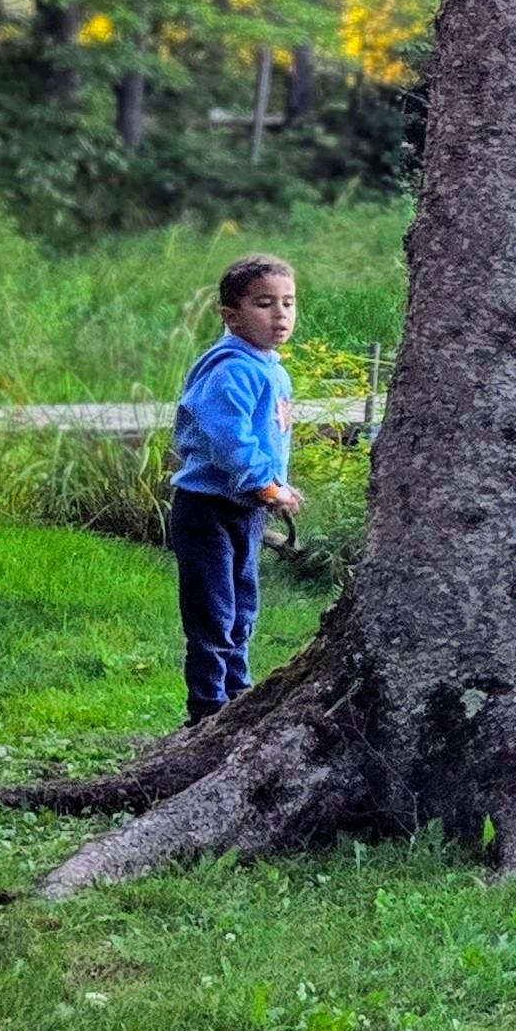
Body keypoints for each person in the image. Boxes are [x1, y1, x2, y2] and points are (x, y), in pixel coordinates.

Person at [167, 254, 299, 724]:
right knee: (213, 612)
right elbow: (230, 440)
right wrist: (265, 485)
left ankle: (237, 694)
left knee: (243, 606)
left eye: (288, 303)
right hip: (207, 509)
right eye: (264, 303)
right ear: (231, 315)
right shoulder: (230, 369)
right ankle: (207, 709)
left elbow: (265, 437)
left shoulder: (270, 368)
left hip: (245, 508)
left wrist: (274, 485)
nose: (280, 314)